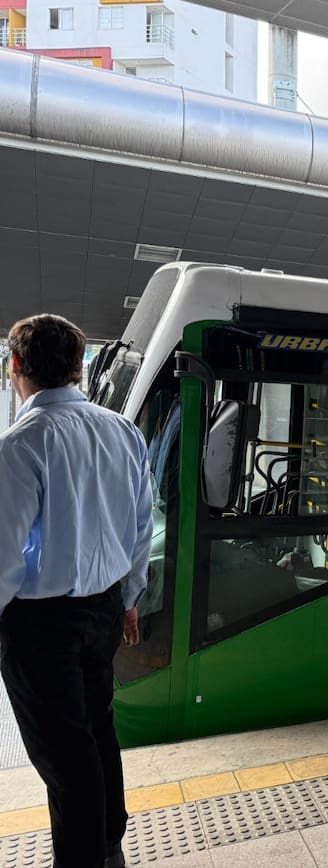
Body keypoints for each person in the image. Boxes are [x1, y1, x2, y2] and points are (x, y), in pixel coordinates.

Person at [0, 315, 151, 868]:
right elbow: (141, 526)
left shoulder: (20, 444)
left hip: (42, 624)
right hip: (105, 611)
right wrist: (131, 600)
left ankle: (86, 858)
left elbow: (3, 557)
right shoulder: (123, 431)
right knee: (97, 728)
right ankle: (111, 846)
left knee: (65, 756)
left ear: (15, 365)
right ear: (79, 368)